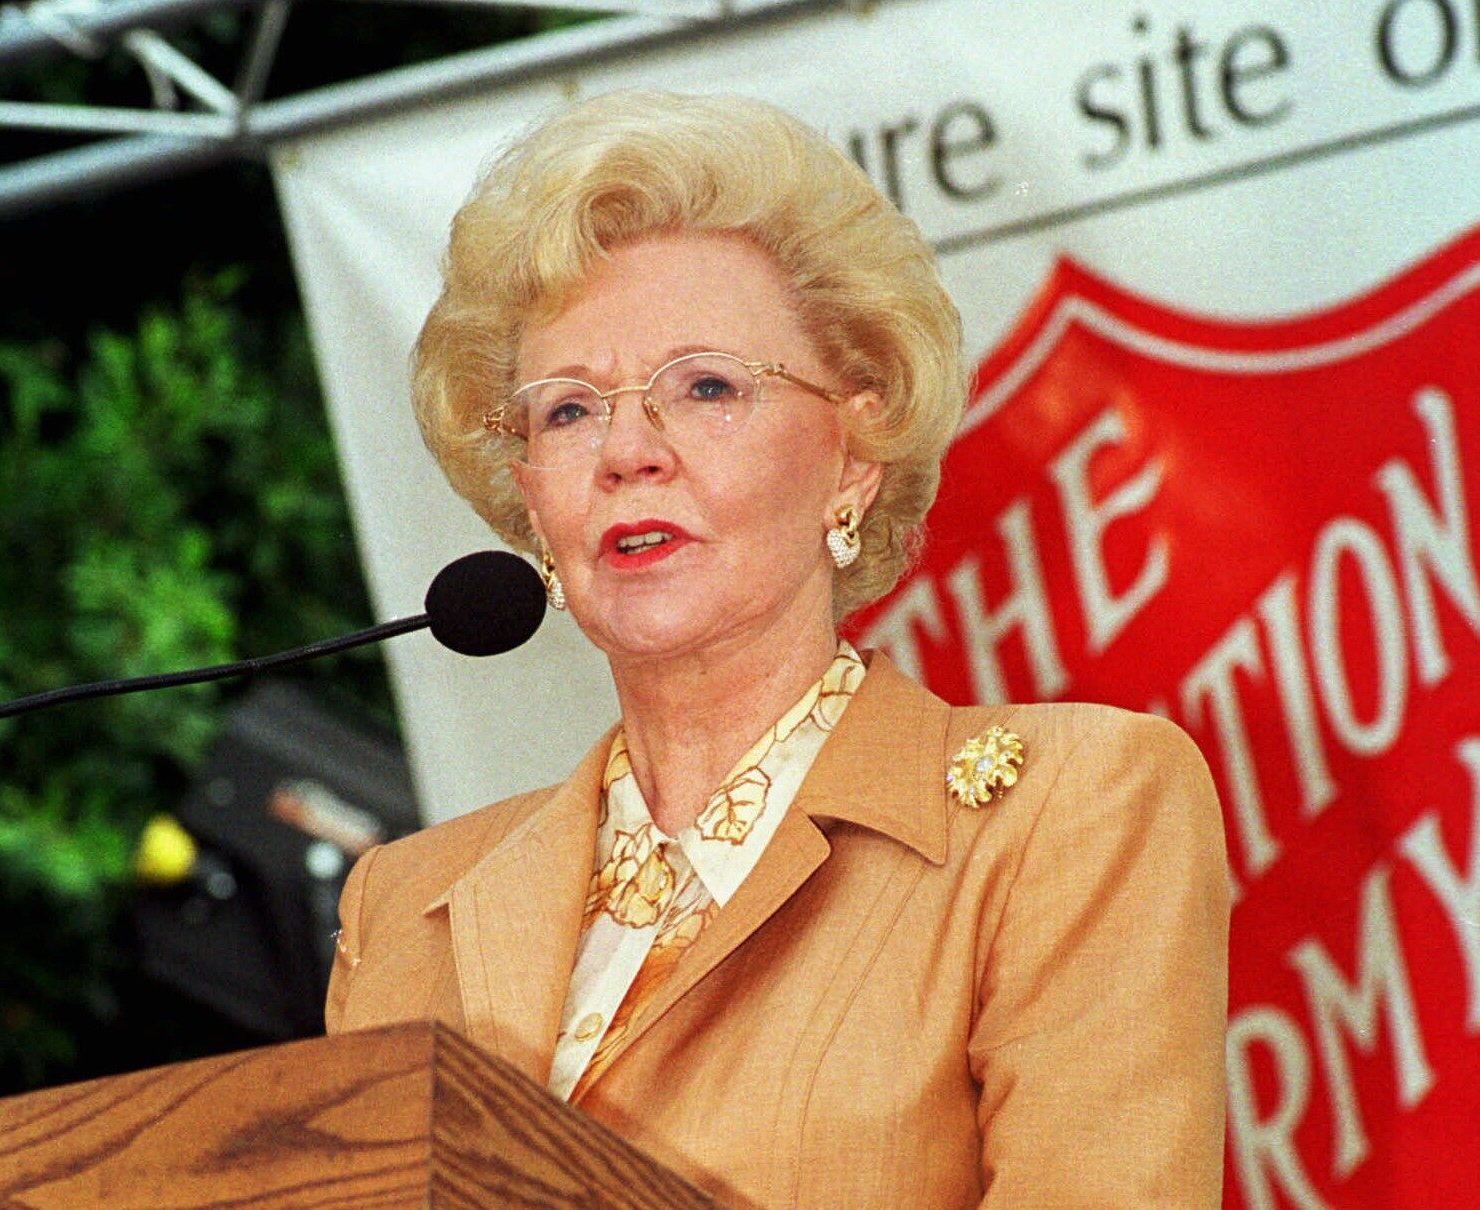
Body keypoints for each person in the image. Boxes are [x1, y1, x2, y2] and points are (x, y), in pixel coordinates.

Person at [327, 90, 1230, 1207]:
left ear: (852, 457)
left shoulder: (1070, 810)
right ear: (528, 502)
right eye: (566, 412)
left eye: (704, 387)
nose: (625, 452)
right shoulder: (405, 908)